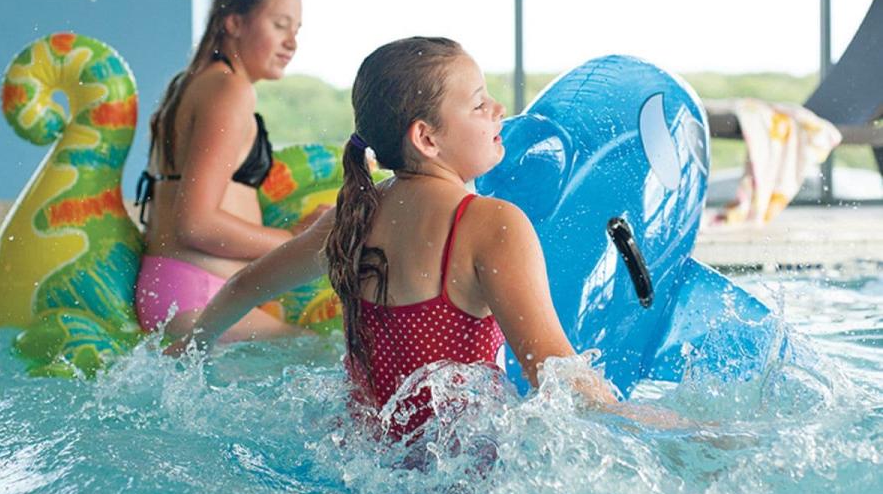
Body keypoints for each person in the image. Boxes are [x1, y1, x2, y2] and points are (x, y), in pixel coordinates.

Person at [167, 36, 678, 436]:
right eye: (479, 104)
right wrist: (685, 433)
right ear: (426, 138)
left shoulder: (354, 214)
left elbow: (247, 286)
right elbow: (558, 379)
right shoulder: (490, 225)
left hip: (362, 458)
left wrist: (189, 346)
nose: (499, 109)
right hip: (463, 471)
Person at [134, 0, 326, 340]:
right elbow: (196, 223)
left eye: (296, 30)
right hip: (197, 297)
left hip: (176, 289)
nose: (292, 43)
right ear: (234, 23)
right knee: (331, 361)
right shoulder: (229, 91)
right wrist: (296, 240)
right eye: (280, 25)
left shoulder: (187, 85)